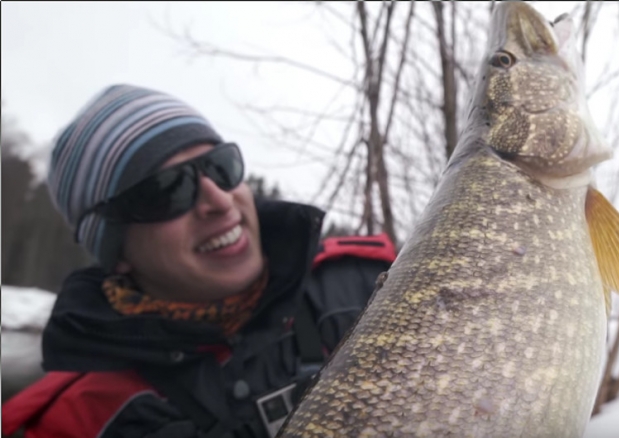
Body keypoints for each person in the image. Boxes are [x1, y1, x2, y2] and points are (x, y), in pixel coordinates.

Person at [1, 84, 396, 438]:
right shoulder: (77, 424)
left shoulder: (372, 287)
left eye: (220, 167)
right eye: (169, 189)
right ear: (116, 250)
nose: (221, 201)